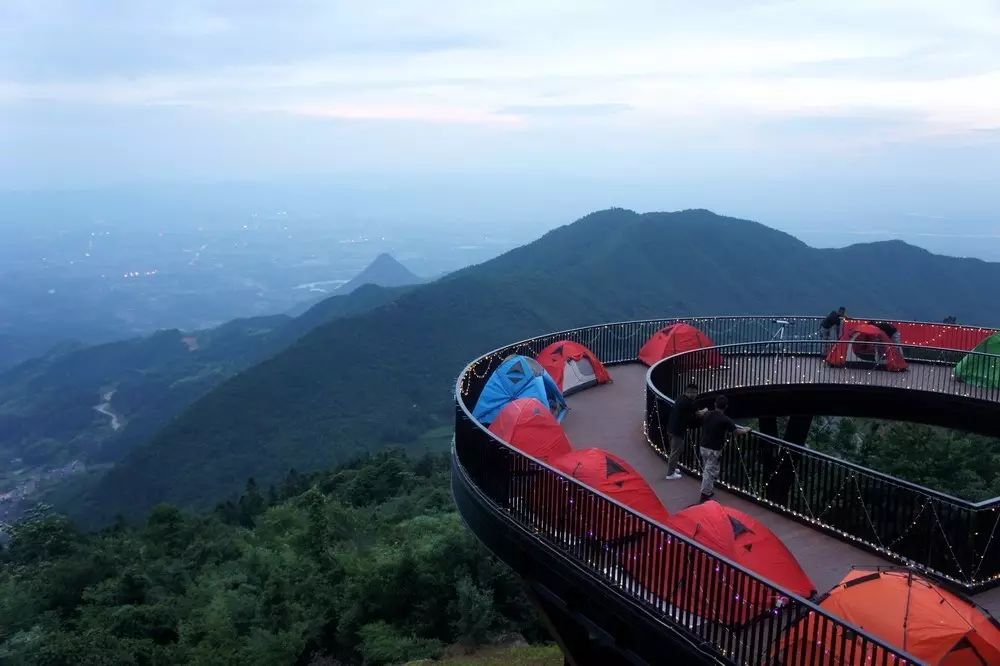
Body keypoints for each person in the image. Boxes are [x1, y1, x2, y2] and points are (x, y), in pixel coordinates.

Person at [698, 395, 750, 503]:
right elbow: (736, 432)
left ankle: (708, 490)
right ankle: (704, 495)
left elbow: (700, 415)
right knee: (709, 471)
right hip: (714, 449)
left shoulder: (707, 415)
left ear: (715, 404)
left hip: (703, 445)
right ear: (726, 406)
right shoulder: (725, 420)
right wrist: (746, 429)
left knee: (708, 468)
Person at [664, 383, 707, 480]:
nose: (695, 395)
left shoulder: (680, 398)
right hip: (677, 430)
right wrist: (705, 410)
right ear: (689, 392)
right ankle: (670, 473)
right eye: (694, 393)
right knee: (675, 451)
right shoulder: (688, 403)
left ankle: (673, 468)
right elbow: (699, 414)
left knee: (678, 449)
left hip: (671, 427)